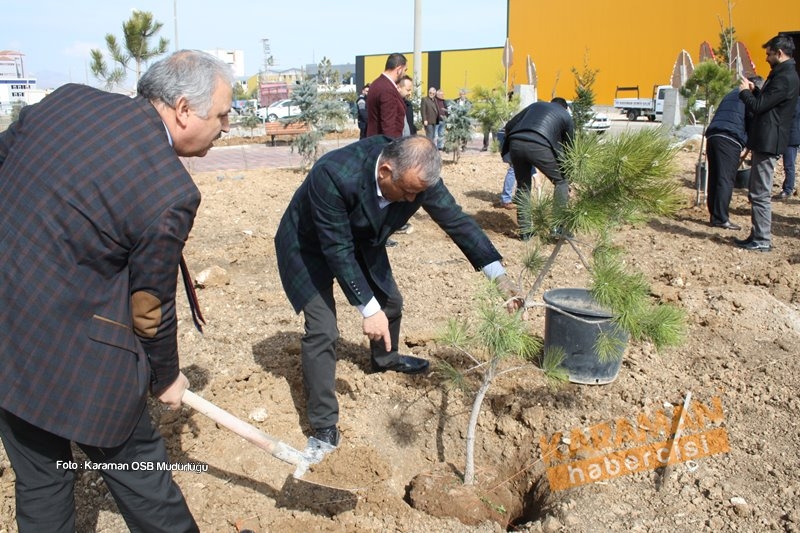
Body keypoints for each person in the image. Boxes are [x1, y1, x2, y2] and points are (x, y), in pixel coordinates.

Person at [0, 50, 233, 532]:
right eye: (223, 115)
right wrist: (166, 376)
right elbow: (150, 306)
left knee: (42, 481)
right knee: (139, 470)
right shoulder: (170, 190)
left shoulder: (68, 100)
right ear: (184, 109)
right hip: (78, 363)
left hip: (6, 336)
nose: (227, 127)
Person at [274, 135, 520, 448]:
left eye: (416, 194)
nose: (409, 200)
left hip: (362, 238)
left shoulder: (415, 178)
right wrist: (367, 308)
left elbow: (456, 220)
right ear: (385, 171)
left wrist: (498, 276)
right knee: (323, 330)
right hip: (306, 244)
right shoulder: (334, 173)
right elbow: (336, 248)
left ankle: (385, 360)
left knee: (390, 302)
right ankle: (323, 425)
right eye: (406, 192)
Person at [734, 34, 800, 252]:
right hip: (766, 140)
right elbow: (769, 102)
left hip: (769, 142)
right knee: (755, 190)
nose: (766, 57)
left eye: (769, 54)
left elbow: (759, 106)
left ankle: (762, 239)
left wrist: (745, 93)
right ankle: (756, 234)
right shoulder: (782, 74)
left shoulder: (785, 77)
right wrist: (756, 90)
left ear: (779, 53)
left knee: (760, 192)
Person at [501, 97, 575, 239]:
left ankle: (525, 231)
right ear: (565, 108)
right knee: (561, 182)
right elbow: (570, 147)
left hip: (515, 144)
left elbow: (509, 125)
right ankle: (557, 227)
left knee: (523, 186)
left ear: (551, 103)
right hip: (539, 145)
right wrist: (569, 171)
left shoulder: (535, 105)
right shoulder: (565, 115)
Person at [704, 76, 764, 230]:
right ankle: (721, 219)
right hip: (729, 138)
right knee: (726, 179)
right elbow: (751, 120)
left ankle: (715, 214)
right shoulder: (748, 96)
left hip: (713, 136)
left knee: (715, 176)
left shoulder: (731, 93)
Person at [366, 53, 408, 138]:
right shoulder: (387, 89)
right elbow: (389, 126)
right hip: (383, 145)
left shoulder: (376, 83)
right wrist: (392, 149)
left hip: (374, 141)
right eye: (405, 70)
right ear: (399, 69)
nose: (404, 74)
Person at [774, 97, 800, 199]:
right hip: (785, 136)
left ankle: (788, 189)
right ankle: (787, 188)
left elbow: (791, 116)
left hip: (792, 137)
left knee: (789, 165)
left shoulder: (796, 100)